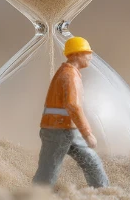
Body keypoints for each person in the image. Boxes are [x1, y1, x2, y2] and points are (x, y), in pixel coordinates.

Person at [32, 36, 109, 188]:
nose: (91, 57)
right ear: (76, 54)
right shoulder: (69, 75)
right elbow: (73, 106)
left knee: (91, 161)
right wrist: (87, 133)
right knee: (49, 168)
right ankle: (38, 195)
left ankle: (103, 192)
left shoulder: (70, 73)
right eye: (87, 53)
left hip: (66, 128)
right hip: (57, 129)